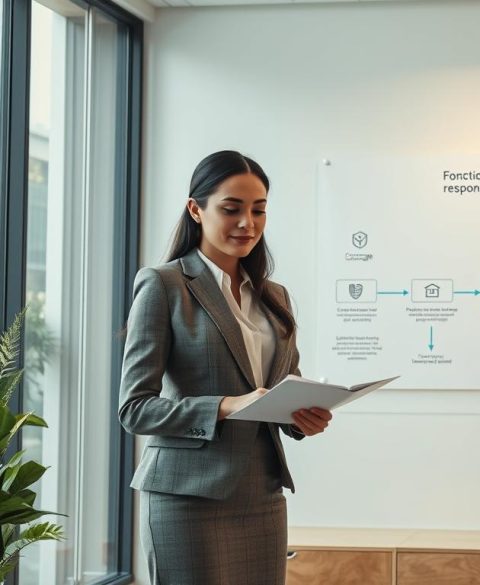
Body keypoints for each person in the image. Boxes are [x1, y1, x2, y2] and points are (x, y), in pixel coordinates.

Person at [118, 150, 333, 584]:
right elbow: (135, 409)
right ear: (196, 209)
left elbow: (278, 390)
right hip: (187, 497)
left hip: (262, 494)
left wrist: (302, 418)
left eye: (258, 210)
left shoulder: (275, 296)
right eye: (231, 209)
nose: (247, 223)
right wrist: (227, 405)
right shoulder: (164, 285)